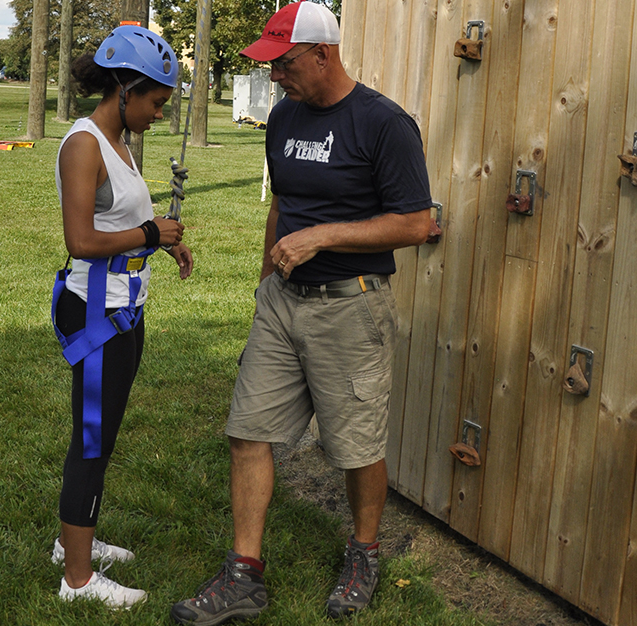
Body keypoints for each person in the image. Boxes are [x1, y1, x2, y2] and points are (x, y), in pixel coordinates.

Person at [170, 2, 431, 623]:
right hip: (282, 306)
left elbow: (416, 223)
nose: (276, 78)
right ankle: (244, 576)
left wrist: (324, 237)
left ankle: (363, 553)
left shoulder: (384, 123)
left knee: (355, 446)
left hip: (352, 307)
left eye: (284, 65)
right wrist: (265, 286)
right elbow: (281, 206)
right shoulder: (283, 118)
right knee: (247, 431)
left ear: (323, 55)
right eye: (271, 66)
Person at [50, 25, 192, 608]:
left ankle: (71, 544)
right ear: (127, 88)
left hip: (122, 312)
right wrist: (151, 231)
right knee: (91, 439)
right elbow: (82, 240)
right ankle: (77, 582)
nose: (159, 114)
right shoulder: (85, 144)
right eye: (157, 103)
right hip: (94, 316)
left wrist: (159, 241)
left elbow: (120, 223)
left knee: (101, 437)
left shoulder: (121, 141)